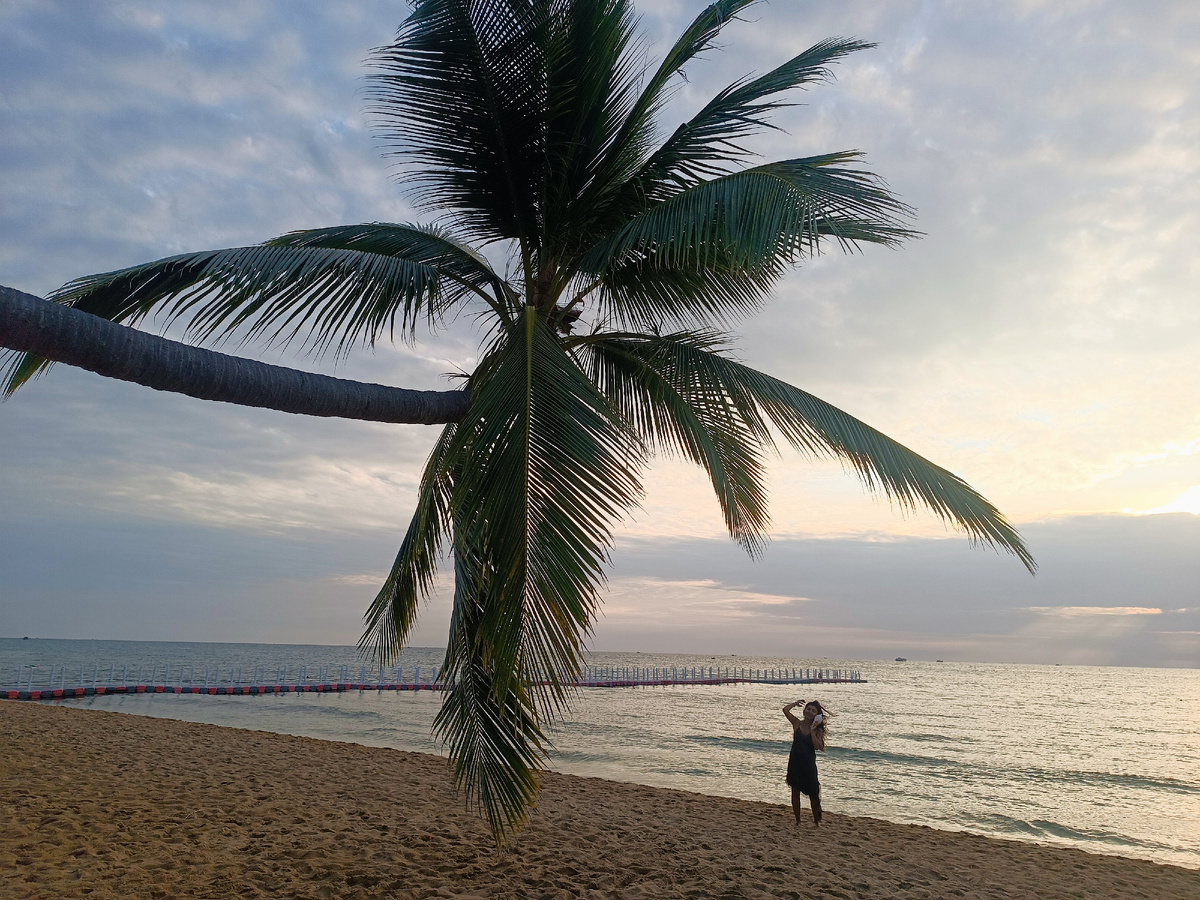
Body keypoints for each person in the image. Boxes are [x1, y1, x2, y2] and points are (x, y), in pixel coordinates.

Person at [783, 699, 828, 826]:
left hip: (808, 765)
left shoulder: (817, 730)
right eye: (808, 709)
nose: (810, 712)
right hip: (795, 763)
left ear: (817, 715)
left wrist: (813, 730)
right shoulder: (797, 723)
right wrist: (794, 703)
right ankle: (797, 820)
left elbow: (818, 746)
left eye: (813, 711)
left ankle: (816, 822)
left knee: (813, 794)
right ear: (804, 710)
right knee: (795, 791)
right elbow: (785, 710)